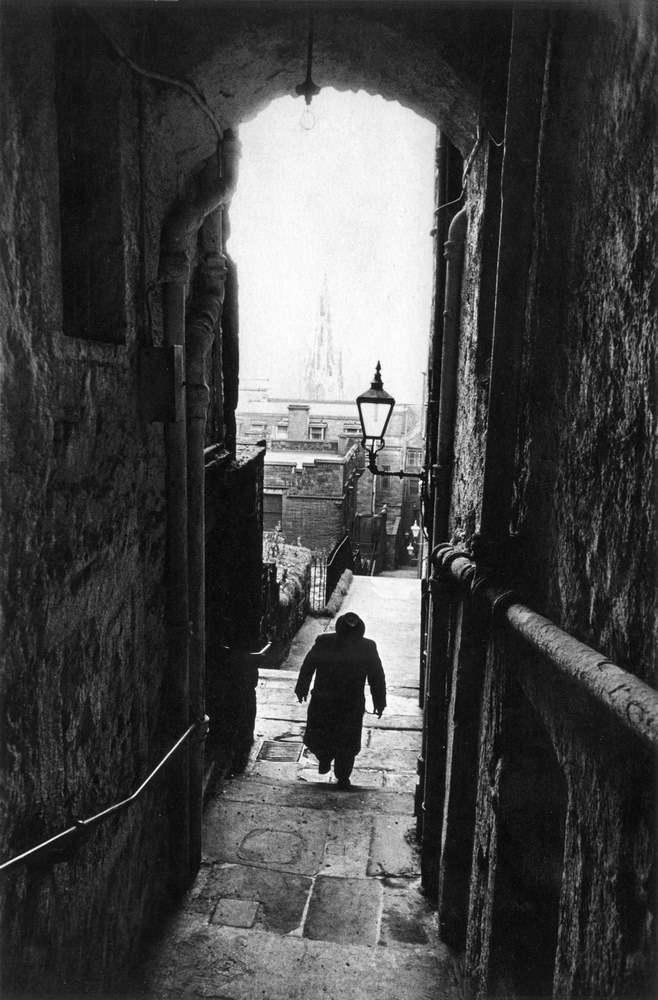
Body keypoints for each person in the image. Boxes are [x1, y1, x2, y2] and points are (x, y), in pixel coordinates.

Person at [294, 612, 386, 788]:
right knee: (342, 740)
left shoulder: (326, 642)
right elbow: (377, 677)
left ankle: (337, 769)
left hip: (327, 702)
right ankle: (334, 767)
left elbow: (308, 666)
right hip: (347, 704)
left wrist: (302, 688)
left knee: (333, 738)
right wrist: (379, 701)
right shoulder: (365, 647)